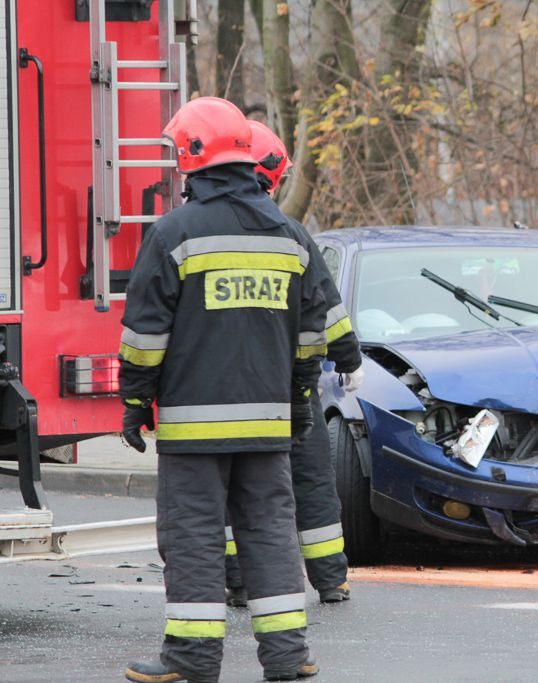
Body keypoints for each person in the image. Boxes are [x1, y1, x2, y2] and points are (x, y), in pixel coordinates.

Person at [119, 97, 328, 682]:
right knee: (269, 535)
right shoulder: (290, 236)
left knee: (194, 538)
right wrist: (300, 400)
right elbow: (313, 333)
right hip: (268, 427)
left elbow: (144, 335)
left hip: (193, 428)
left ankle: (190, 660)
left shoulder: (174, 233)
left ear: (191, 155)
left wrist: (136, 400)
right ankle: (288, 658)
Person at [224, 120, 364, 608]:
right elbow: (326, 312)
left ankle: (238, 580)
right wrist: (349, 361)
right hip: (291, 389)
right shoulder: (292, 234)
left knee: (230, 489)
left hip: (220, 391)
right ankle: (330, 579)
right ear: (272, 176)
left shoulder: (195, 232)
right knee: (311, 483)